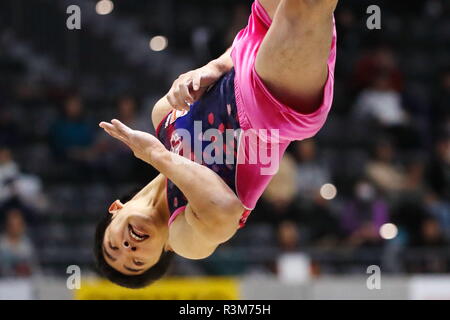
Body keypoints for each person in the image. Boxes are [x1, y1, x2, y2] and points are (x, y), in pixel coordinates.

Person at [95, 0, 338, 288]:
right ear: (164, 251)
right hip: (272, 107)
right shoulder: (186, 240)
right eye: (137, 262)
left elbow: (229, 62)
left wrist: (216, 65)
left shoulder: (163, 116)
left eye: (114, 247)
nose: (128, 249)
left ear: (115, 209)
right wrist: (157, 156)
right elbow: (225, 208)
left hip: (251, 41)